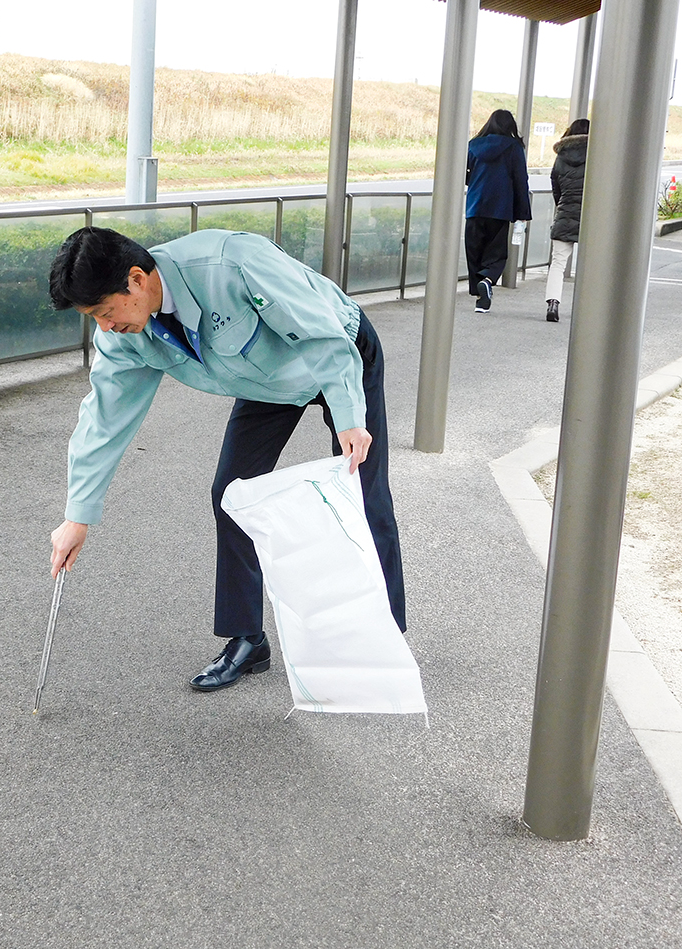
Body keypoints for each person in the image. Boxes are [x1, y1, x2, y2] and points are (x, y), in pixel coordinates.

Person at [47, 226, 405, 692]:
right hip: (265, 384)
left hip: (338, 352)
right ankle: (247, 640)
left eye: (104, 312)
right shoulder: (124, 336)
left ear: (136, 279)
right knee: (232, 494)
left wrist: (349, 416)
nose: (105, 327)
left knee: (361, 493)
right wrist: (78, 514)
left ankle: (386, 638)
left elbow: (320, 332)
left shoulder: (232, 261)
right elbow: (103, 419)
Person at [465, 108, 532, 313]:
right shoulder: (513, 148)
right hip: (500, 210)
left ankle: (480, 296)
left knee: (474, 252)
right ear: (510, 126)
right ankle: (487, 282)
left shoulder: (473, 145)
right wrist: (522, 213)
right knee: (496, 254)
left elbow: (465, 176)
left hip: (475, 207)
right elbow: (521, 181)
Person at [544, 118, 589, 323]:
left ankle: (553, 303)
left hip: (566, 212)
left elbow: (556, 187)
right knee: (591, 265)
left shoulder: (561, 156)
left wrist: (564, 207)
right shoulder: (600, 153)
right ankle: (586, 307)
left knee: (558, 263)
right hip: (592, 216)